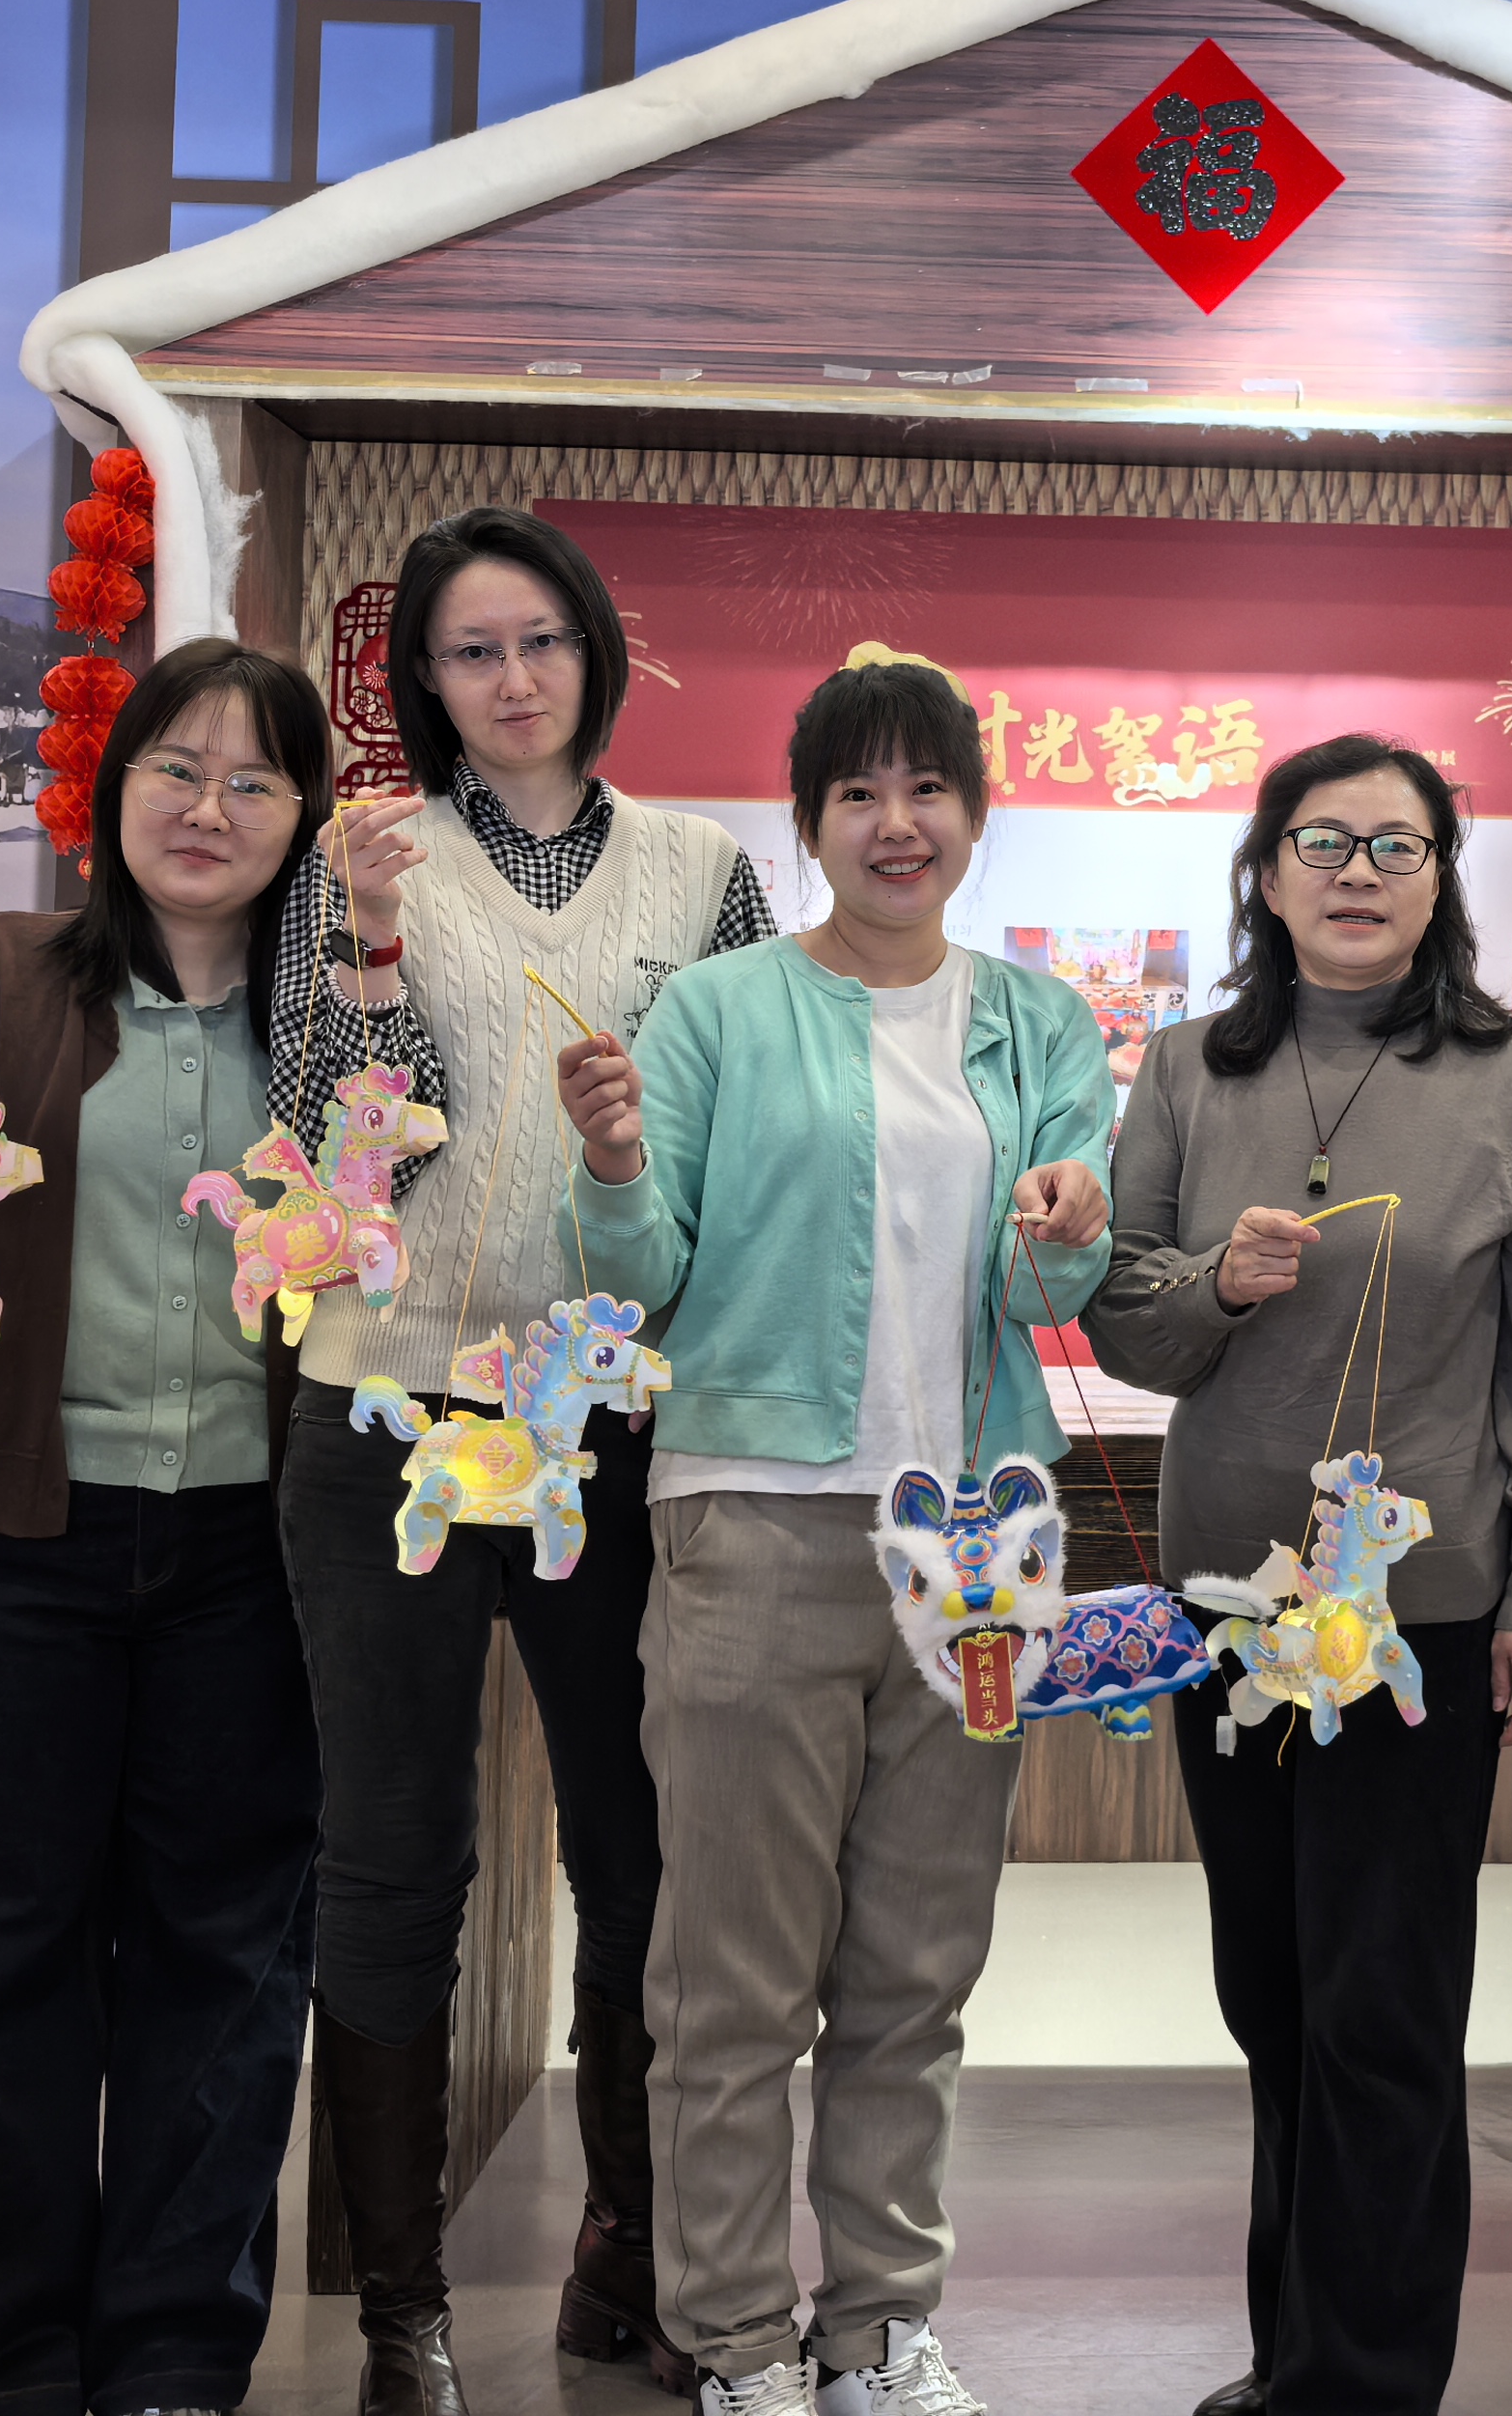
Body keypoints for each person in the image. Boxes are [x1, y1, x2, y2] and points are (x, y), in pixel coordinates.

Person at [562, 651, 1115, 2416]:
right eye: (858, 792)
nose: (897, 823)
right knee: (731, 1982)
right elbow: (639, 1273)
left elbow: (1058, 1291)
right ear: (807, 823)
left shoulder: (1042, 1025)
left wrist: (1074, 1216)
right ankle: (734, 2340)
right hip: (755, 1522)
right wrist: (614, 1164)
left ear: (974, 815)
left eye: (928, 788)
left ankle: (879, 2326)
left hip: (979, 1549)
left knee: (917, 1969)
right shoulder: (719, 1012)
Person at [266, 507, 772, 2416]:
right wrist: (374, 948)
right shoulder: (365, 857)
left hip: (611, 1421)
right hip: (391, 1414)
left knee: (641, 1848)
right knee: (392, 1853)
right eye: (471, 650)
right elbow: (341, 1146)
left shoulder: (702, 871)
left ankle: (627, 2249)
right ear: (424, 678)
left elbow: (747, 1148)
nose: (512, 678)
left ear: (595, 654)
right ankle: (400, 2312)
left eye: (542, 639)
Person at [1085, 734, 1512, 2416]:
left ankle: (1362, 2383)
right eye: (1323, 841)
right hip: (1227, 1612)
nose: (1358, 872)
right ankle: (1293, 2352)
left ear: (1443, 876)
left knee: (1383, 2010)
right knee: (1272, 1996)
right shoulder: (1186, 1066)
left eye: (1396, 844)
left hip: (1414, 1620)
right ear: (1267, 871)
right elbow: (1126, 1321)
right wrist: (1216, 1287)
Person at [0, 635, 335, 2416]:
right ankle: (11, 2360)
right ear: (112, 788)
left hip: (247, 1559)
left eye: (253, 778)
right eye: (175, 767)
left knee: (225, 1960)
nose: (208, 807)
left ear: (300, 817)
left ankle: (172, 2360)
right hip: (12, 1542)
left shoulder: (329, 1028)